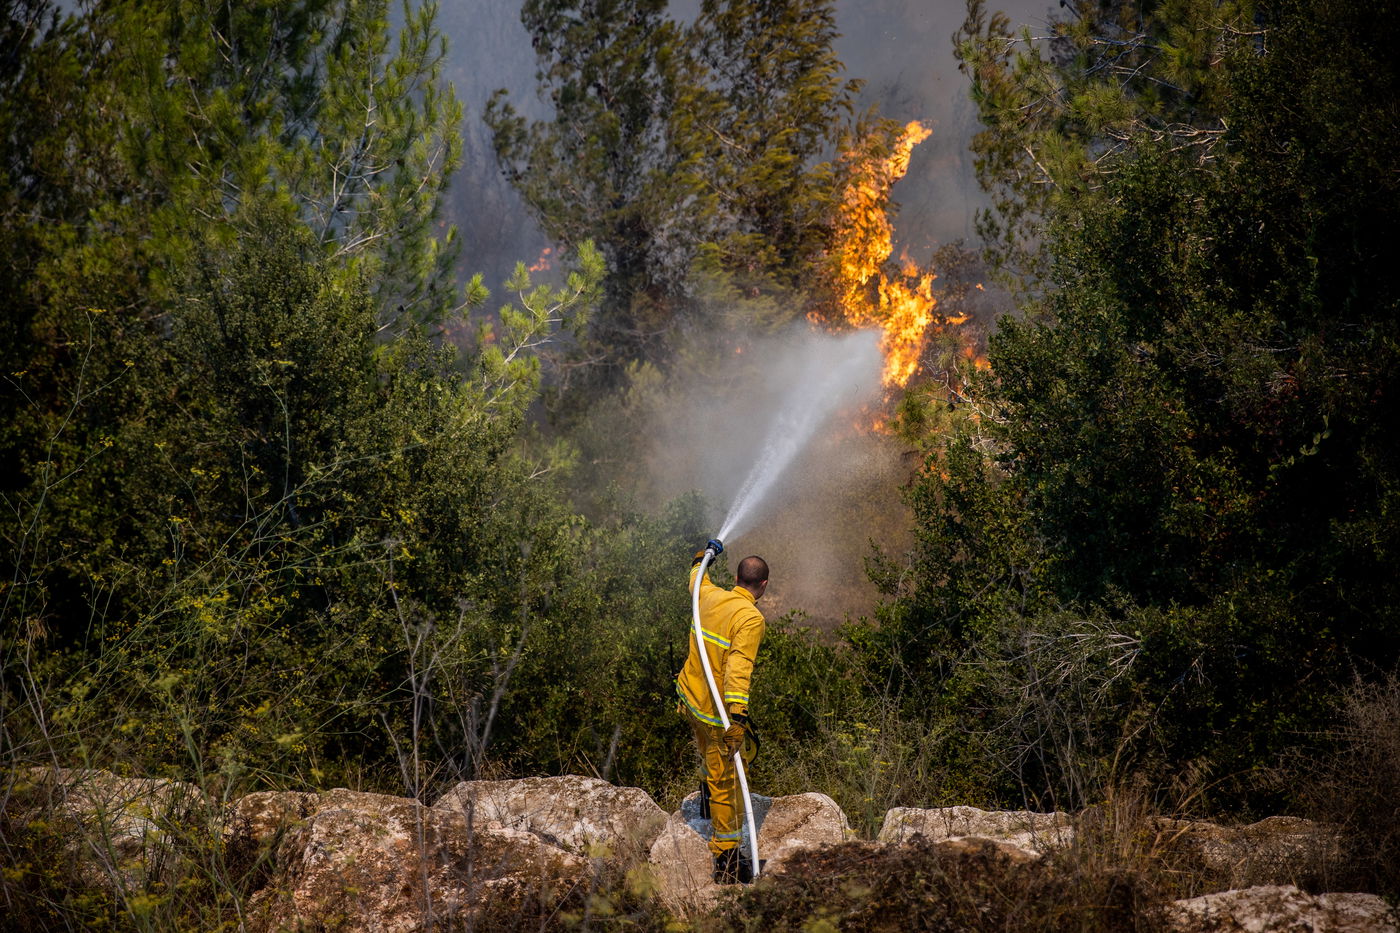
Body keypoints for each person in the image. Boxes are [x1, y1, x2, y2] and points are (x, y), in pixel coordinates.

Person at [675, 539, 768, 884]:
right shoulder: (750, 617)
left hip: (690, 698)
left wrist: (703, 556)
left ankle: (704, 802)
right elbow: (738, 669)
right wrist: (739, 715)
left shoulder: (709, 595)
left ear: (738, 577)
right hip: (716, 714)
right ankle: (726, 862)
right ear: (763, 586)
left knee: (707, 757)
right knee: (725, 778)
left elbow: (695, 577)